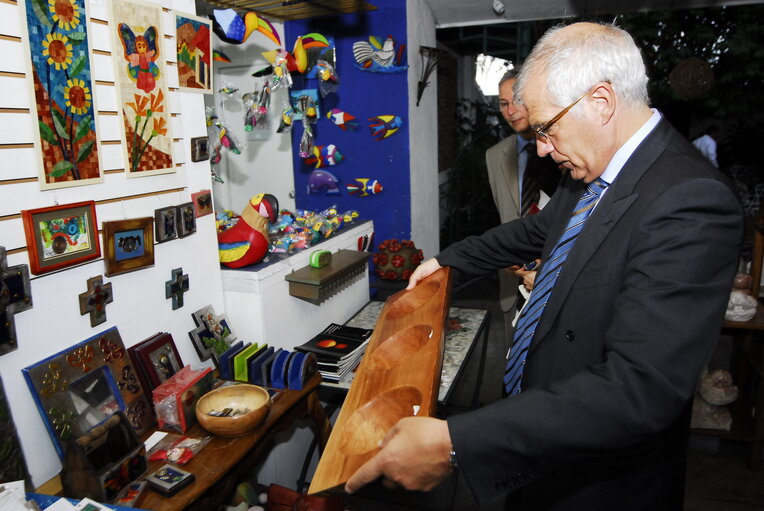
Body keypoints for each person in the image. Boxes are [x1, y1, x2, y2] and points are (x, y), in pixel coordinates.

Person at [345, 21, 742, 510]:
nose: (540, 148)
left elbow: (638, 390)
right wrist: (445, 263)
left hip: (599, 481)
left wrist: (455, 443)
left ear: (601, 102)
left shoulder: (691, 199)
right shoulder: (594, 169)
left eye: (547, 127)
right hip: (541, 433)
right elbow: (532, 232)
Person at [486, 69, 562, 345]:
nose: (511, 110)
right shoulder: (494, 156)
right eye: (504, 103)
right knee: (513, 359)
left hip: (559, 275)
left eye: (517, 100)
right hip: (512, 278)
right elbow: (503, 217)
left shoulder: (565, 147)